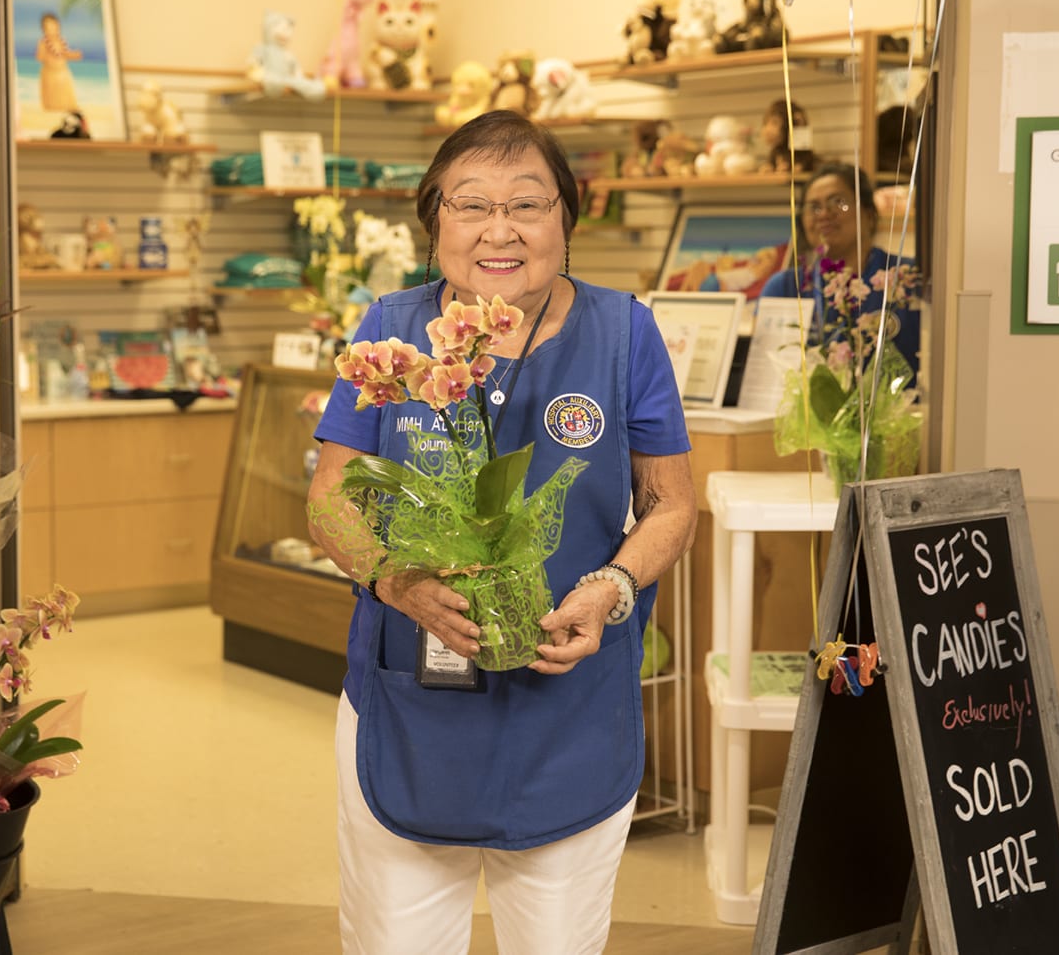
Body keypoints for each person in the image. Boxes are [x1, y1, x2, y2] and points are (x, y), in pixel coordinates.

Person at [306, 110, 698, 955]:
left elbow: (670, 503)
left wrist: (612, 587)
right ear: (433, 221)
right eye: (470, 205)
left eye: (527, 204)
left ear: (566, 219)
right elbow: (330, 496)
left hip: (570, 703)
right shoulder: (389, 327)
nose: (500, 230)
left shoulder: (622, 331)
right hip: (412, 699)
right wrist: (393, 581)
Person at [760, 162, 922, 373]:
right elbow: (764, 378)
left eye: (839, 203)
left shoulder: (906, 278)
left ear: (868, 213)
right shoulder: (785, 288)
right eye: (814, 208)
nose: (824, 214)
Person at [35, 12, 81, 113]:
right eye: (48, 28)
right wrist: (46, 55)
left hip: (63, 72)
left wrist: (74, 55)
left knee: (66, 97)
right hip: (49, 73)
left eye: (54, 27)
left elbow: (65, 54)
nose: (51, 30)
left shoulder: (61, 41)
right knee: (52, 102)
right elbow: (39, 57)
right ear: (44, 30)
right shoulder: (43, 42)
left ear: (58, 27)